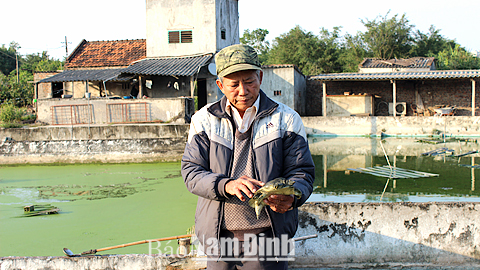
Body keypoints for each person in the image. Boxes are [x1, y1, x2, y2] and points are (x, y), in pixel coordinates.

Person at [181, 44, 315, 269]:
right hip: (218, 236)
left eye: (249, 81)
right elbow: (191, 173)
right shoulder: (203, 120)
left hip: (269, 236)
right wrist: (227, 185)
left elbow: (302, 172)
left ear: (260, 77)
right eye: (233, 84)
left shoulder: (286, 119)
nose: (242, 91)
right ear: (220, 85)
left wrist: (294, 196)